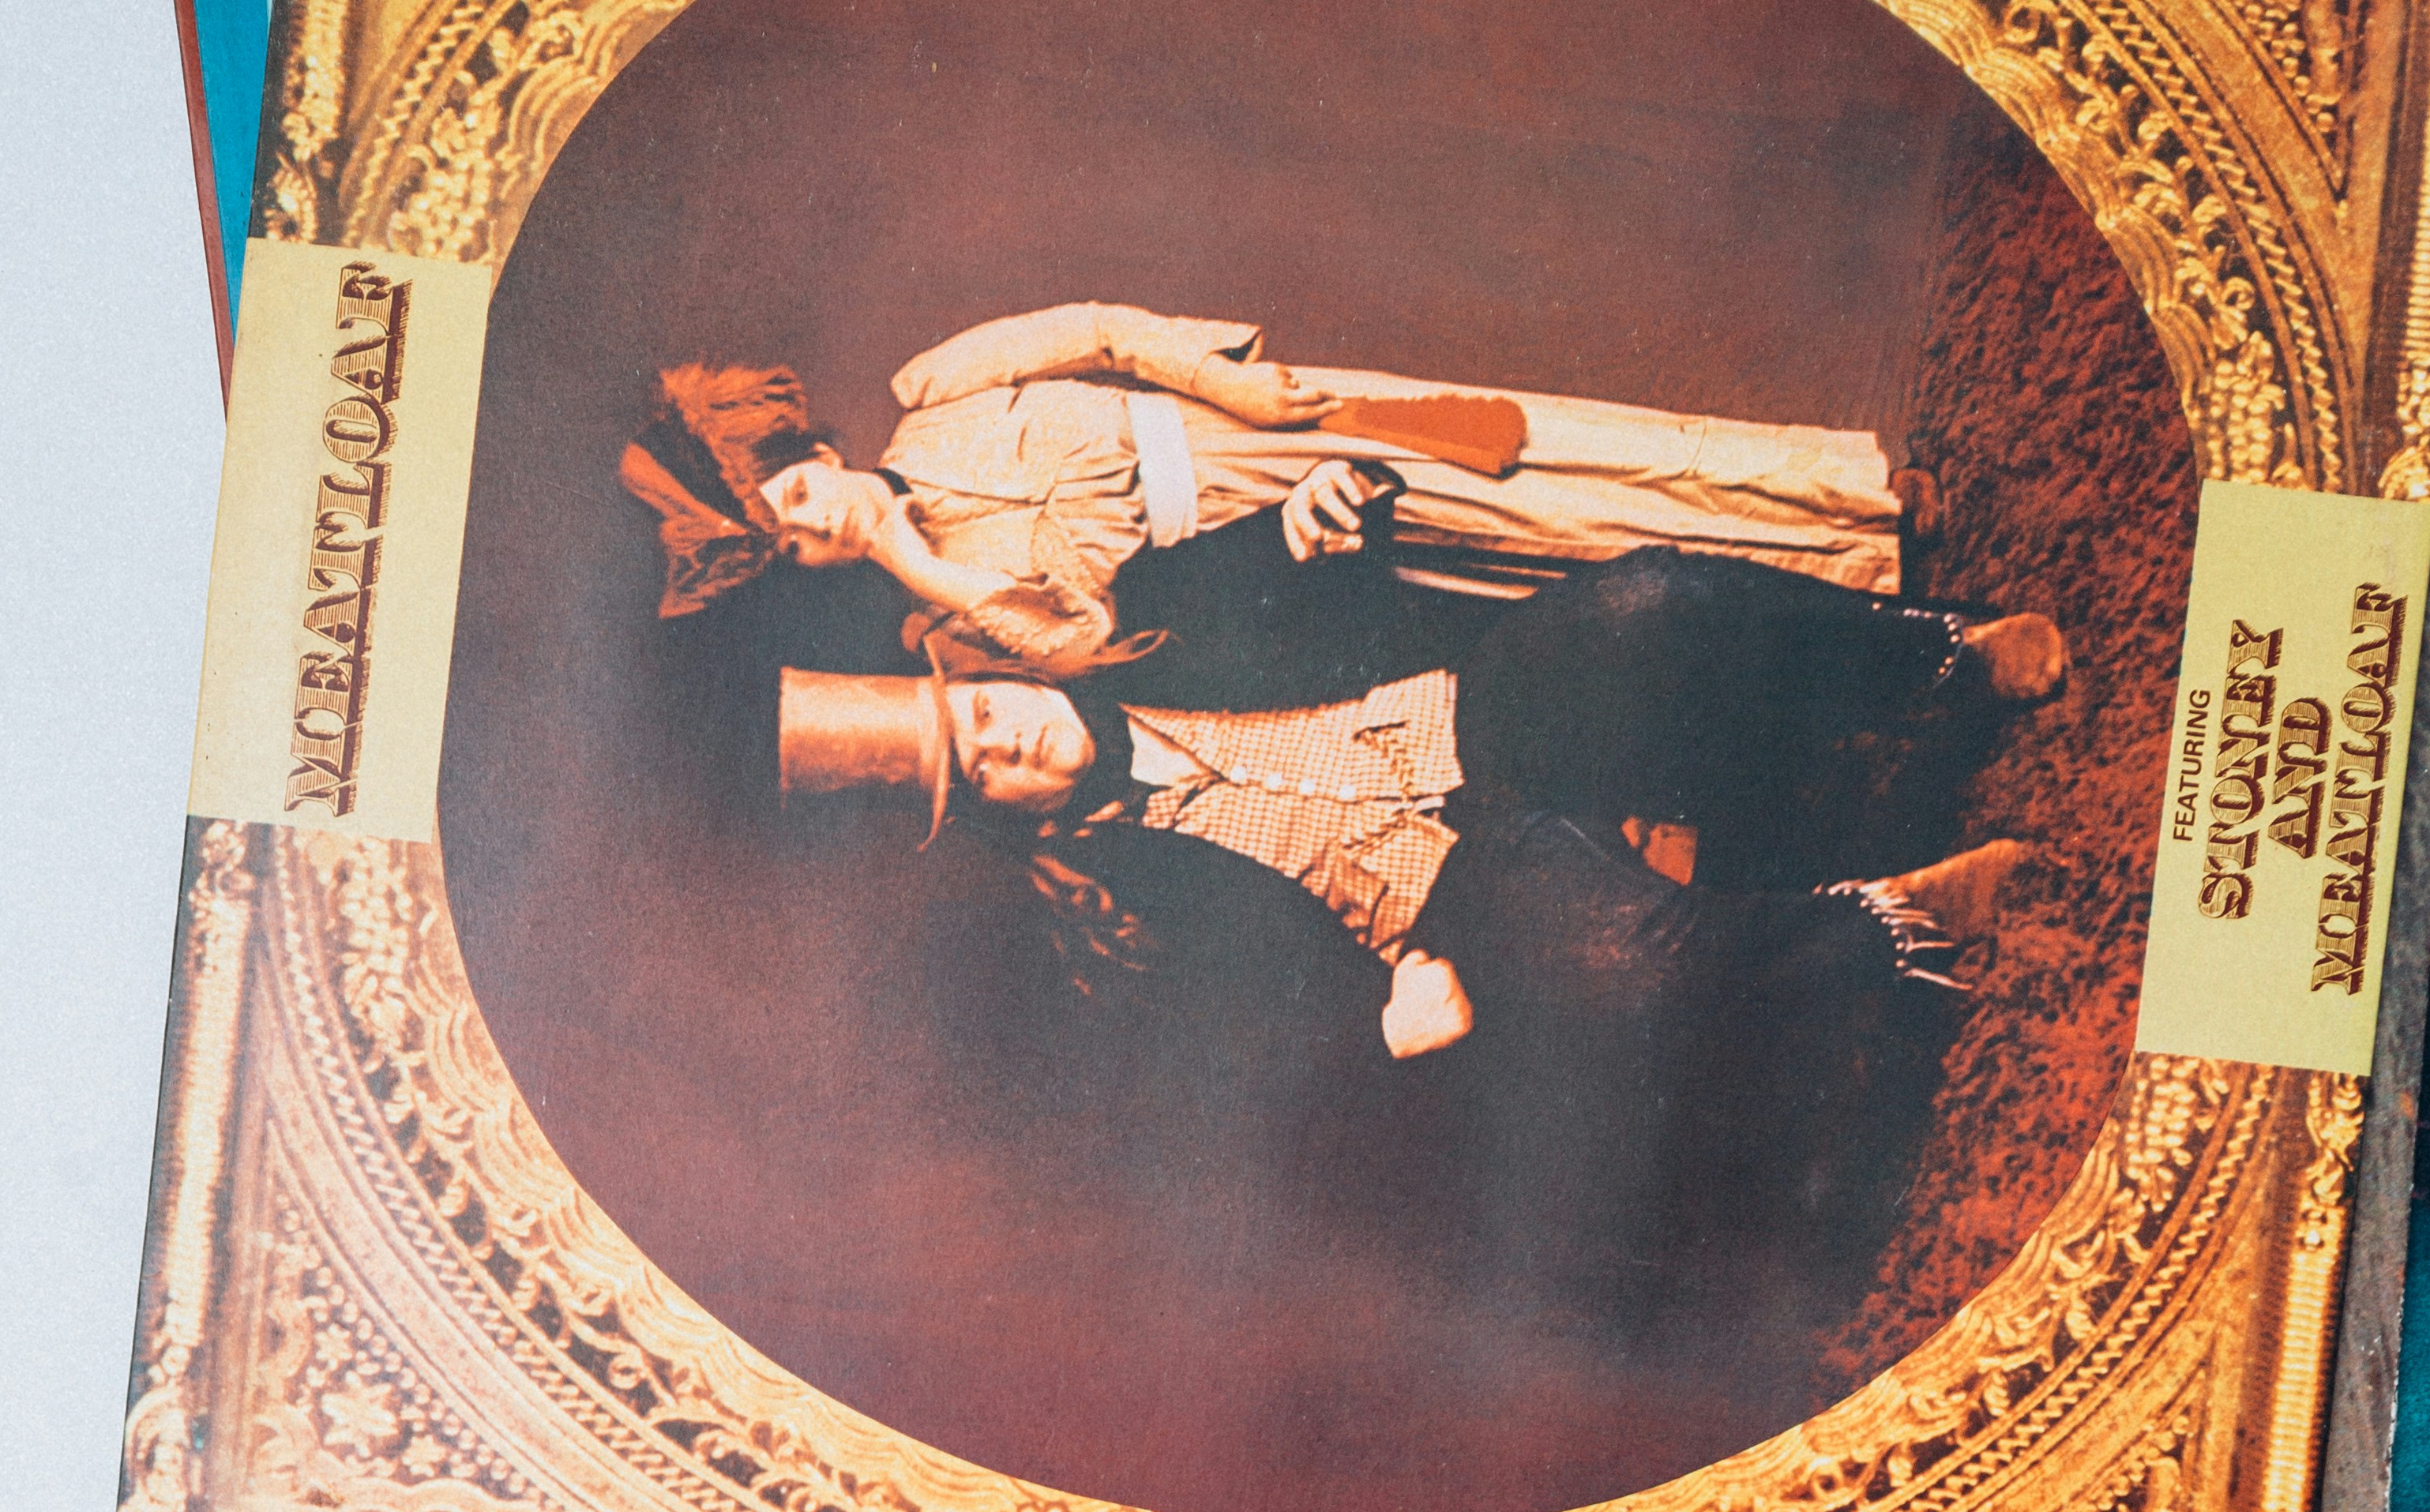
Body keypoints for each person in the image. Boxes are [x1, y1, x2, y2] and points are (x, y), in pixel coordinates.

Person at [775, 511, 2068, 1299]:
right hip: (1438, 912)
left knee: (1652, 598)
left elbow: (1250, 556)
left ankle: (1934, 661)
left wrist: (1306, 516)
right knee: (1627, 958)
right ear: (999, 819)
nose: (1019, 745)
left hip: (1479, 715)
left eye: (993, 715)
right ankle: (1890, 925)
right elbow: (1207, 1089)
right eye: (990, 771)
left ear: (999, 675)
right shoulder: (1099, 910)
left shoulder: (1150, 631)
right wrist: (1374, 1038)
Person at [625, 307, 1914, 685]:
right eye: (793, 544)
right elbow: (1086, 636)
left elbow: (1100, 333)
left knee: (1541, 449)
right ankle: (1851, 577)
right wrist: (919, 561)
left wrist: (1234, 391)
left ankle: (1850, 493)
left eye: (794, 490)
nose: (812, 519)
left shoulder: (934, 384)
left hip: (1248, 425)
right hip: (1278, 548)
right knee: (1542, 543)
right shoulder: (957, 618)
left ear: (809, 446)